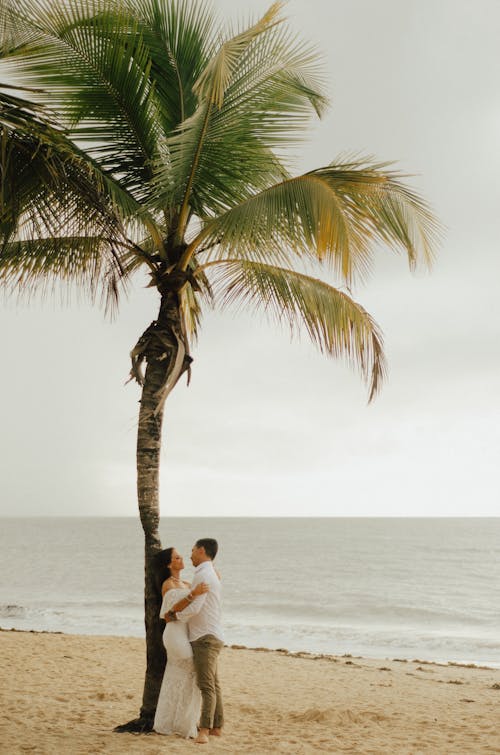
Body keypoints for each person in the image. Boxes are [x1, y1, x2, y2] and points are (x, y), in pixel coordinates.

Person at [167, 538, 224, 746]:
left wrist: (175, 616)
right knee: (214, 684)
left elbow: (194, 607)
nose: (190, 555)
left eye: (192, 551)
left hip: (204, 637)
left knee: (206, 685)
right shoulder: (211, 572)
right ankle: (217, 726)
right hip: (213, 633)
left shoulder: (203, 573)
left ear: (201, 551)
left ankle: (205, 730)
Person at [152, 547, 209, 739]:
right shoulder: (168, 585)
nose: (181, 558)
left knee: (179, 679)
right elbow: (169, 616)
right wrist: (194, 594)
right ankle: (180, 724)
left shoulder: (185, 583)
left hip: (185, 633)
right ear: (169, 564)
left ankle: (177, 723)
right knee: (189, 674)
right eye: (177, 557)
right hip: (175, 634)